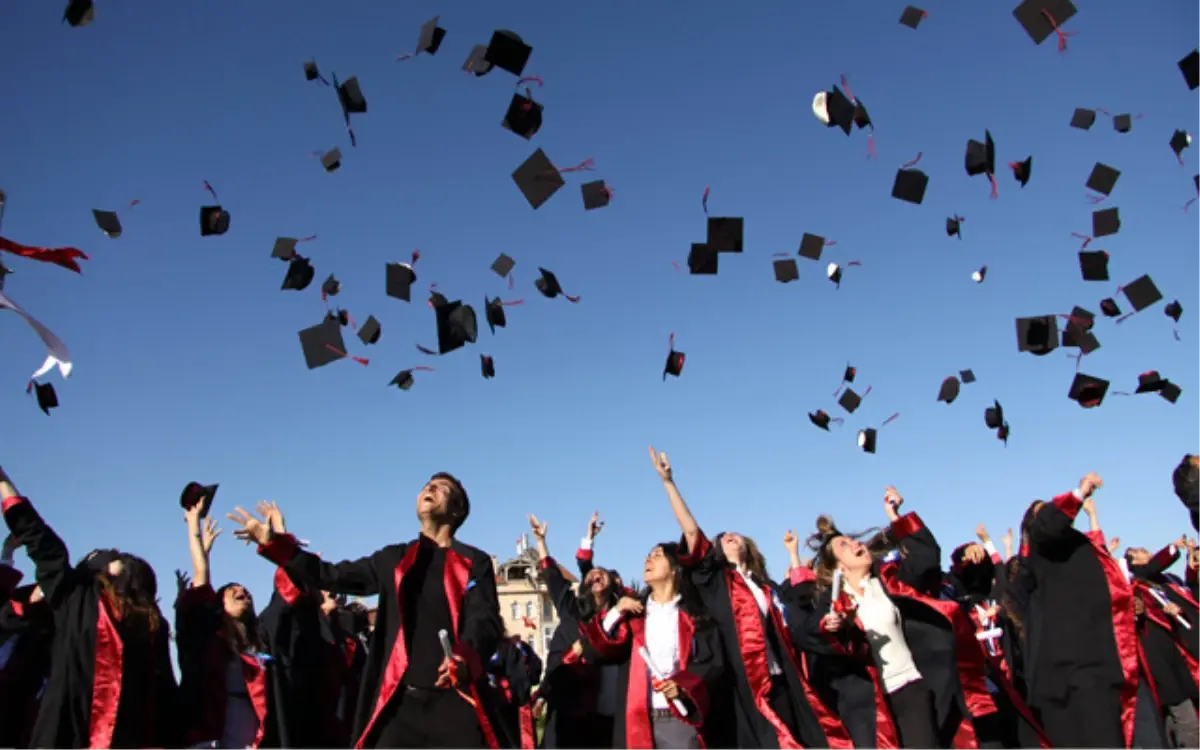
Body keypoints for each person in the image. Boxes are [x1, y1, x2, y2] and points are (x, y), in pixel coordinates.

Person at [227, 471, 503, 748]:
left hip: (453, 702)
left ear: (457, 510)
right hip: (399, 707)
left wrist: (465, 656)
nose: (430, 488)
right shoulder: (393, 558)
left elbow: (485, 619)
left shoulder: (473, 561)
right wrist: (278, 545)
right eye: (426, 486)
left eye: (442, 488)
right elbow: (330, 574)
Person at [648, 447, 851, 749]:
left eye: (736, 534)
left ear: (748, 545)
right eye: (722, 536)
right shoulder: (715, 581)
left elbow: (796, 624)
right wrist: (668, 483)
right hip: (744, 690)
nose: (729, 535)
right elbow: (691, 533)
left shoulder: (766, 587)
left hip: (781, 681)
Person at [1, 464, 179, 749]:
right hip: (67, 732)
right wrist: (3, 482)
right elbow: (41, 541)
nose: (110, 553)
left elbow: (164, 690)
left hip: (127, 736)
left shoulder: (152, 623)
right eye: (102, 555)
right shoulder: (76, 597)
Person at [1019, 473, 1161, 748]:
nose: (1051, 508)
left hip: (1102, 663)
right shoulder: (1043, 543)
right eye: (1044, 509)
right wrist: (1078, 493)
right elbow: (1047, 524)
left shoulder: (1080, 548)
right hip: (1074, 670)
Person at [579, 525, 725, 750]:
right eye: (648, 555)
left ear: (675, 568)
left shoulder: (694, 615)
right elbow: (596, 650)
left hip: (679, 718)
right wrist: (616, 612)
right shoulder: (635, 615)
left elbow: (711, 661)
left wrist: (683, 685)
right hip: (636, 719)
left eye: (657, 555)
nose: (648, 559)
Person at [175, 498, 280, 749]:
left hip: (255, 728)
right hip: (216, 729)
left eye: (244, 589)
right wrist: (194, 527)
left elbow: (283, 596)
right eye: (232, 589)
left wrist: (275, 538)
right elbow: (201, 580)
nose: (241, 589)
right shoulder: (210, 636)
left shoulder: (260, 639)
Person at [530, 512, 622, 748]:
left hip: (606, 713)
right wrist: (541, 542)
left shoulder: (620, 617)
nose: (597, 575)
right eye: (592, 574)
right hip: (568, 708)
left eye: (603, 573)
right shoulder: (572, 610)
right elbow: (553, 578)